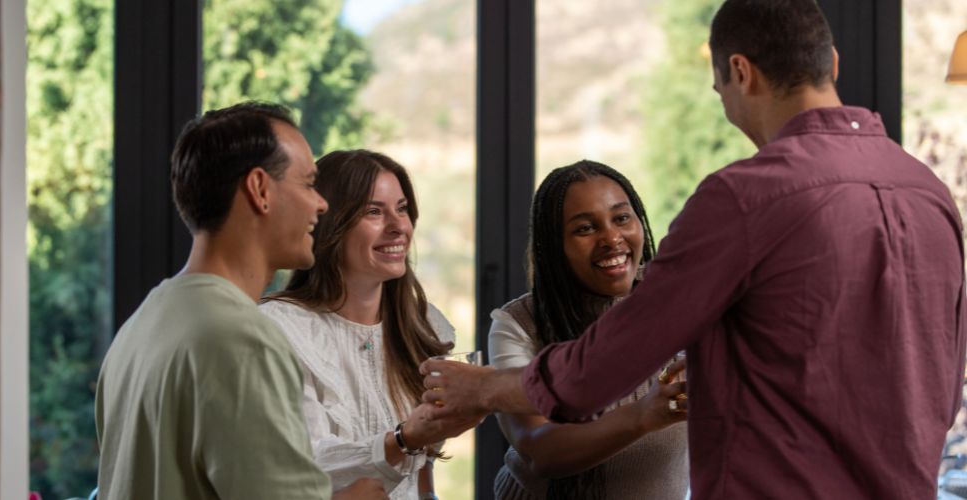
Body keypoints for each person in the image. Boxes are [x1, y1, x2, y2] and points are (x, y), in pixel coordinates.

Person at [421, 1, 967, 499]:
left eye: (720, 91)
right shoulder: (929, 193)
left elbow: (602, 367)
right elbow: (944, 383)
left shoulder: (745, 197)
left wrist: (489, 386)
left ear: (739, 72)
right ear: (835, 64)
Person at [95, 103, 386, 500]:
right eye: (307, 184)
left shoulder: (142, 324)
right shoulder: (241, 339)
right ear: (260, 189)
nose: (321, 204)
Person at [260, 149, 478, 499]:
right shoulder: (279, 329)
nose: (398, 227)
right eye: (374, 212)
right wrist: (405, 438)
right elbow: (302, 466)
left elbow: (423, 481)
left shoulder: (422, 325)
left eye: (402, 208)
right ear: (330, 224)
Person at [488, 160, 689, 500]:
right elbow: (540, 452)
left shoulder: (677, 302)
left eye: (621, 218)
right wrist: (644, 414)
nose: (612, 238)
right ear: (554, 246)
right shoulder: (517, 325)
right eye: (585, 229)